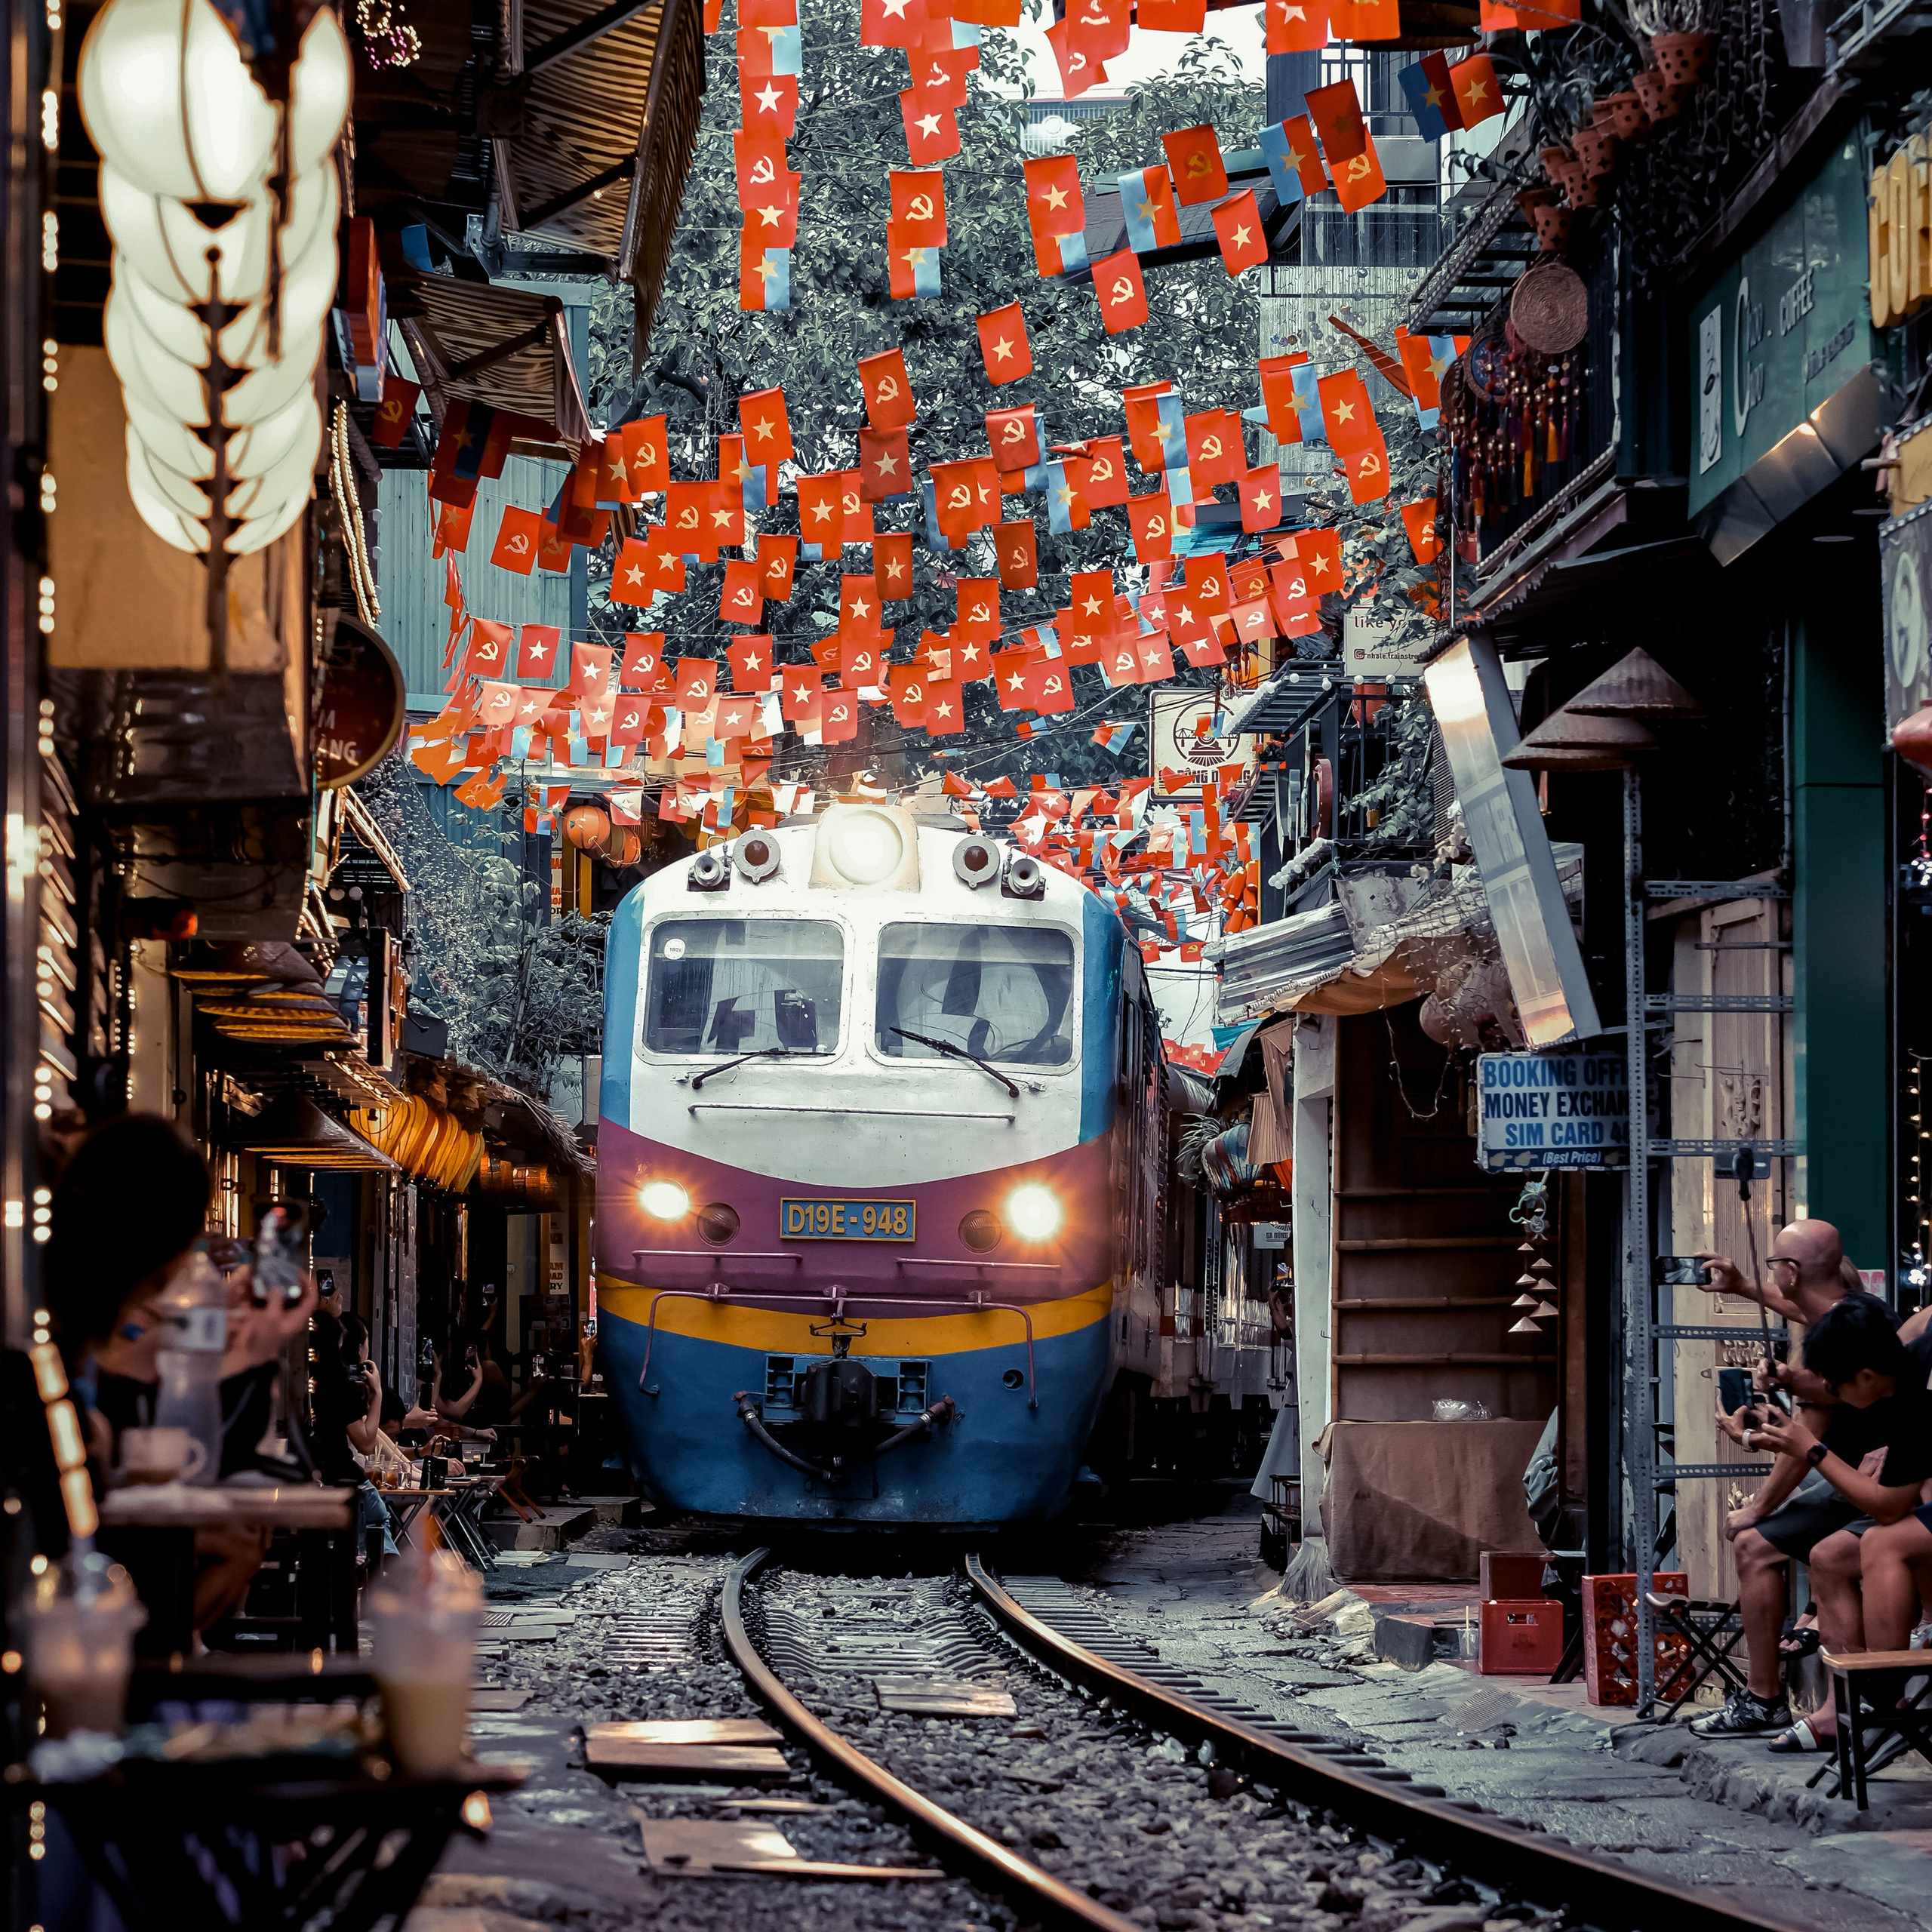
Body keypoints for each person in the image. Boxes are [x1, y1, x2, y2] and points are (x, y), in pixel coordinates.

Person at [42, 1115, 316, 1637]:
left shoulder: (74, 1333)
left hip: (87, 1584)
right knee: (237, 1541)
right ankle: (155, 1671)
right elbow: (202, 1457)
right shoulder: (85, 1360)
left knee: (240, 1538)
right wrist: (253, 1354)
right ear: (167, 1246)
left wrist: (243, 1349)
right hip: (81, 1621)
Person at [1684, 1221, 1892, 1738]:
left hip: (1888, 1482)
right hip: (1869, 1478)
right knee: (1819, 1555)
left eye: (1777, 1267)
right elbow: (1808, 1315)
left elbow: (1806, 1443)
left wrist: (1758, 1504)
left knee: (1767, 1545)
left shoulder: (1853, 1329)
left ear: (1793, 1272)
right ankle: (1840, 1706)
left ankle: (1838, 1704)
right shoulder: (1859, 1316)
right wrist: (1743, 1288)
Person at [1740, 1293, 1932, 1748]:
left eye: (1836, 1387)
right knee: (1828, 1555)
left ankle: (1881, 1701)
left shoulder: (1915, 1385)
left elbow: (1888, 1507)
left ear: (1865, 1376)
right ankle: (1842, 1709)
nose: (1833, 1395)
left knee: (1883, 1543)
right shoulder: (1903, 1358)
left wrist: (1811, 1449)